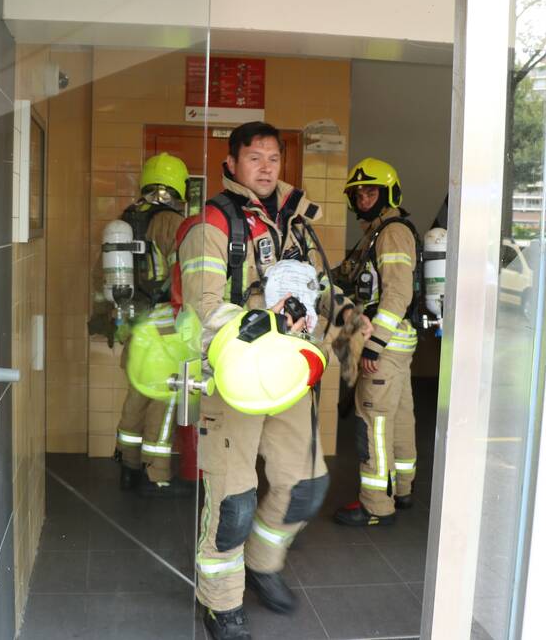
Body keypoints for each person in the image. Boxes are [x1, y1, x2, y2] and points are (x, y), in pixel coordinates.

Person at [175, 122, 363, 640]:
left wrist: (346, 316)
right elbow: (205, 309)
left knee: (304, 486)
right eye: (253, 157)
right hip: (233, 377)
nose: (265, 167)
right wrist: (270, 321)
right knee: (234, 501)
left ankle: (262, 564)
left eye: (273, 158)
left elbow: (317, 286)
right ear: (231, 164)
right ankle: (221, 600)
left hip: (288, 376)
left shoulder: (296, 224)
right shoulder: (211, 225)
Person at [99, 153, 193, 497]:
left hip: (131, 321)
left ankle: (129, 466)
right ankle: (159, 474)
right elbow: (182, 274)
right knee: (165, 396)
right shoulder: (170, 222)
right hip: (164, 322)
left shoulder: (125, 220)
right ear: (177, 185)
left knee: (137, 393)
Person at [332, 158, 419, 527]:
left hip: (384, 344)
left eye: (371, 191)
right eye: (359, 192)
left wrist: (373, 345)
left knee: (373, 423)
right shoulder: (377, 232)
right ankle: (402, 489)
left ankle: (374, 505)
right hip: (398, 345)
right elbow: (349, 274)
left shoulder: (392, 233)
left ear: (388, 193)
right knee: (399, 418)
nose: (364, 198)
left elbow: (397, 294)